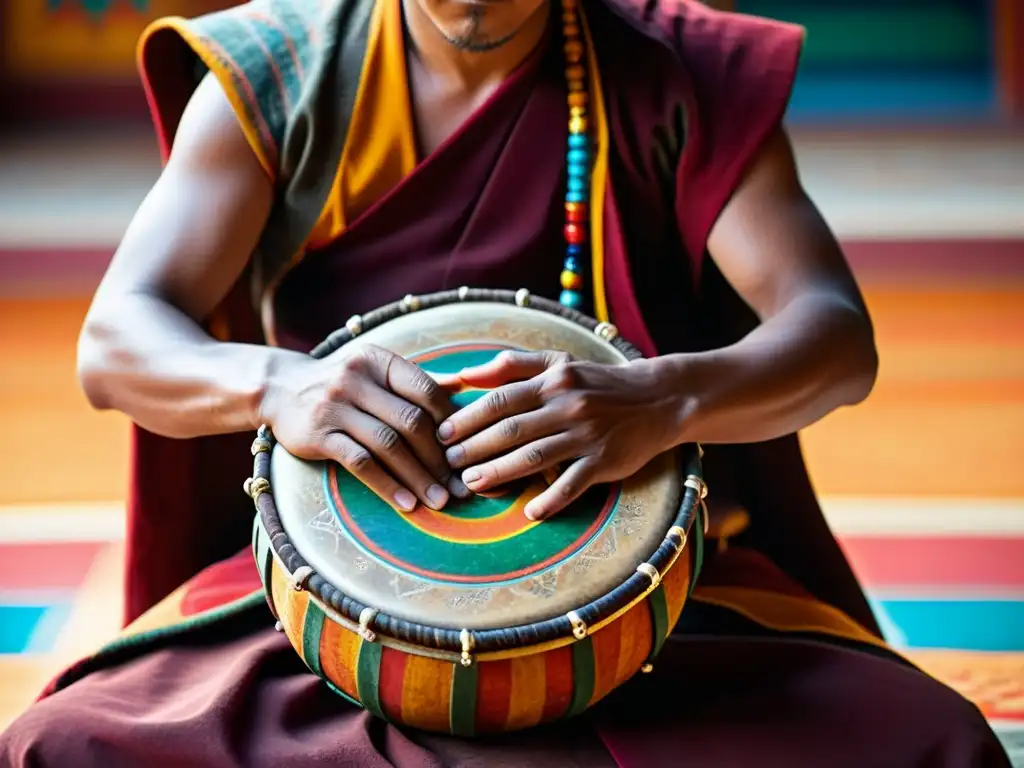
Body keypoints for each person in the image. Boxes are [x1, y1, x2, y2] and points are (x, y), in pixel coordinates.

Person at [0, 0, 1010, 765]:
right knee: (64, 747)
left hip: (655, 599)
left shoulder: (679, 72)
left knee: (931, 741)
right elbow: (117, 342)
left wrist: (663, 399)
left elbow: (833, 336)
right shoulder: (279, 75)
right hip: (330, 605)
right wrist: (280, 386)